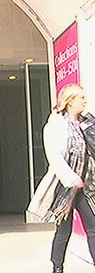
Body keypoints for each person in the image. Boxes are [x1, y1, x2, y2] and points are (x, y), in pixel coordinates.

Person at [27, 84, 95, 273]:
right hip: (64, 186)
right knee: (64, 230)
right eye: (80, 97)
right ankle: (57, 267)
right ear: (70, 101)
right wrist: (71, 178)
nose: (84, 101)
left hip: (83, 185)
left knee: (93, 226)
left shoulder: (86, 122)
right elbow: (54, 156)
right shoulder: (55, 124)